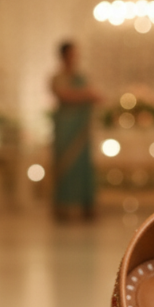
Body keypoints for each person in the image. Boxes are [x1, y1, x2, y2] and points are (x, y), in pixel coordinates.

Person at [50, 41, 100, 221]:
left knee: (82, 166)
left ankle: (85, 206)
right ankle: (65, 207)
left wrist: (91, 96)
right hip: (66, 128)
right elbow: (64, 95)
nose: (74, 58)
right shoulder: (57, 77)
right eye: (71, 54)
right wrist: (86, 95)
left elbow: (94, 95)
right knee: (67, 166)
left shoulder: (81, 77)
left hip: (81, 130)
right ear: (63, 56)